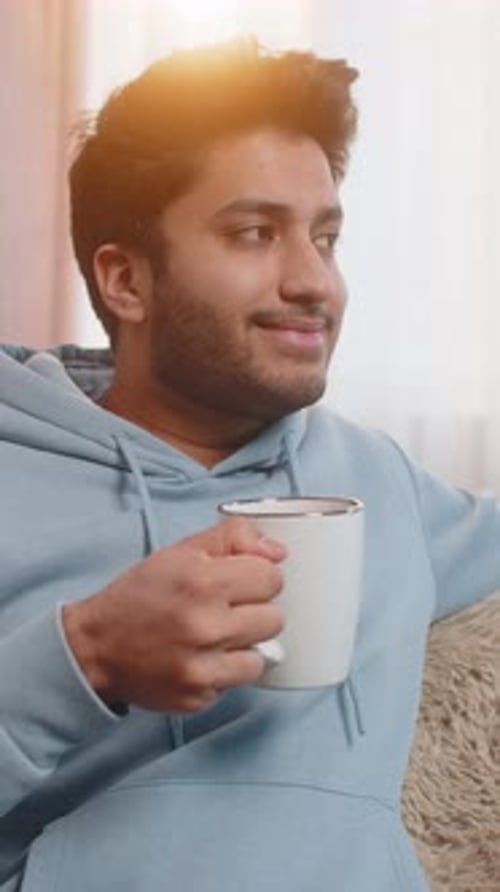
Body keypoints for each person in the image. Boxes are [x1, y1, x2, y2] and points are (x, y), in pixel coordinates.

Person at [0, 38, 498, 892]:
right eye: (256, 232)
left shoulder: (380, 479)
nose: (316, 283)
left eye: (327, 237)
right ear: (126, 280)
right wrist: (86, 659)